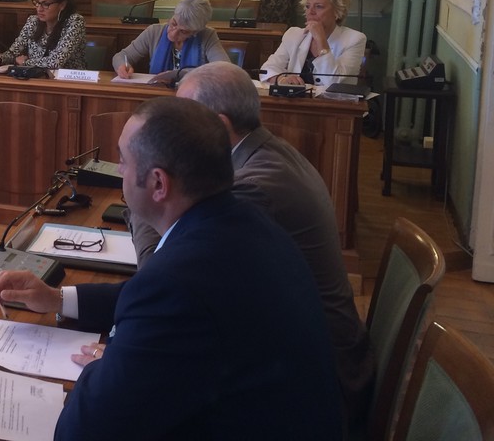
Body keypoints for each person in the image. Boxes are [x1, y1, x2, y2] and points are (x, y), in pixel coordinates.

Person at [0, 97, 343, 440]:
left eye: (122, 160)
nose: (119, 171)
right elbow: (155, 300)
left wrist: (108, 366)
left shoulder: (178, 281)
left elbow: (82, 432)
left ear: (159, 183)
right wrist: (57, 299)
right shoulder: (246, 221)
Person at [127, 61, 374, 435]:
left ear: (218, 125)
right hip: (309, 355)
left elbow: (160, 267)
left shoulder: (254, 187)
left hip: (319, 387)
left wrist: (143, 195)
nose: (167, 131)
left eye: (180, 117)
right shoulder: (266, 151)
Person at [260, 0, 367, 86]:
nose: (310, 12)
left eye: (318, 6)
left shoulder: (354, 39)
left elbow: (333, 82)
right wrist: (281, 79)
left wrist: (321, 40)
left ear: (337, 11)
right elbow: (266, 69)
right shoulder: (293, 34)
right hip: (296, 97)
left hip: (334, 98)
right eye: (307, 6)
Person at [111, 0, 228, 85]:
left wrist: (178, 75)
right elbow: (121, 56)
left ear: (195, 32)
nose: (173, 33)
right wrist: (121, 65)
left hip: (194, 97)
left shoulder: (207, 36)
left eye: (183, 31)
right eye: (173, 23)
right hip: (156, 93)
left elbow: (224, 69)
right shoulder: (154, 31)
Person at [0, 0, 86, 69]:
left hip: (69, 81)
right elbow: (13, 53)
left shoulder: (75, 22)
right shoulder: (33, 21)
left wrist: (25, 62)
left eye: (46, 4)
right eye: (37, 3)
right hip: (37, 79)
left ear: (62, 5)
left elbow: (56, 62)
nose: (39, 9)